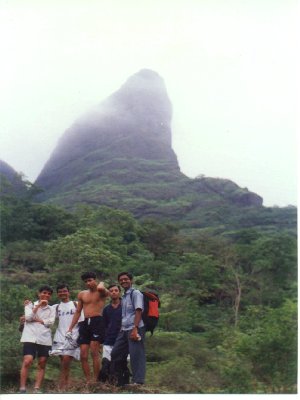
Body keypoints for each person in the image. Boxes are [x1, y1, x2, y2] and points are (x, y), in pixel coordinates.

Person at [67, 271, 109, 384]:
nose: (88, 283)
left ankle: (96, 380)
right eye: (86, 281)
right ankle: (88, 380)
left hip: (97, 321)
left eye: (90, 280)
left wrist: (102, 282)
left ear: (95, 280)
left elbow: (101, 289)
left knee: (94, 352)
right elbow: (77, 312)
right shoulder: (82, 294)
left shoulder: (101, 292)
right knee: (83, 354)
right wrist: (70, 328)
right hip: (84, 322)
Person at [111, 272, 146, 386]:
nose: (123, 281)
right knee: (116, 353)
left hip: (135, 328)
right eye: (121, 280)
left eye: (126, 279)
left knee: (136, 355)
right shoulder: (124, 296)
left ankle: (138, 381)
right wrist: (122, 327)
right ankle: (123, 378)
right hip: (124, 329)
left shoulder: (135, 293)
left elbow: (138, 310)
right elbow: (125, 314)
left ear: (131, 280)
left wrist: (135, 328)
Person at [19, 285, 56, 394]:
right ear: (39, 293)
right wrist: (38, 306)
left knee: (42, 362)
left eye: (49, 294)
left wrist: (38, 320)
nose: (46, 295)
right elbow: (29, 318)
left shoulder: (52, 308)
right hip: (30, 336)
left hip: (45, 338)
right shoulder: (29, 304)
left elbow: (50, 323)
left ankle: (36, 389)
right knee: (27, 360)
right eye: (44, 293)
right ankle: (22, 388)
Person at [50, 284, 84, 389]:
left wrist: (80, 337)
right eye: (60, 292)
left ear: (68, 292)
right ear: (57, 294)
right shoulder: (56, 307)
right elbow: (43, 312)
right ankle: (67, 384)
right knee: (64, 362)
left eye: (64, 291)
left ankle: (62, 385)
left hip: (72, 337)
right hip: (59, 337)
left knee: (66, 360)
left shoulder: (76, 304)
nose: (62, 293)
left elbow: (82, 321)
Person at [98, 284, 130, 385]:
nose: (113, 292)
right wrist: (102, 340)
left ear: (119, 292)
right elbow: (104, 326)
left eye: (116, 290)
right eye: (111, 291)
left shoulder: (125, 306)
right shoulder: (107, 309)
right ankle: (106, 384)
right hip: (109, 340)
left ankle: (121, 384)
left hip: (123, 340)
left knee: (121, 363)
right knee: (106, 363)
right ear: (109, 293)